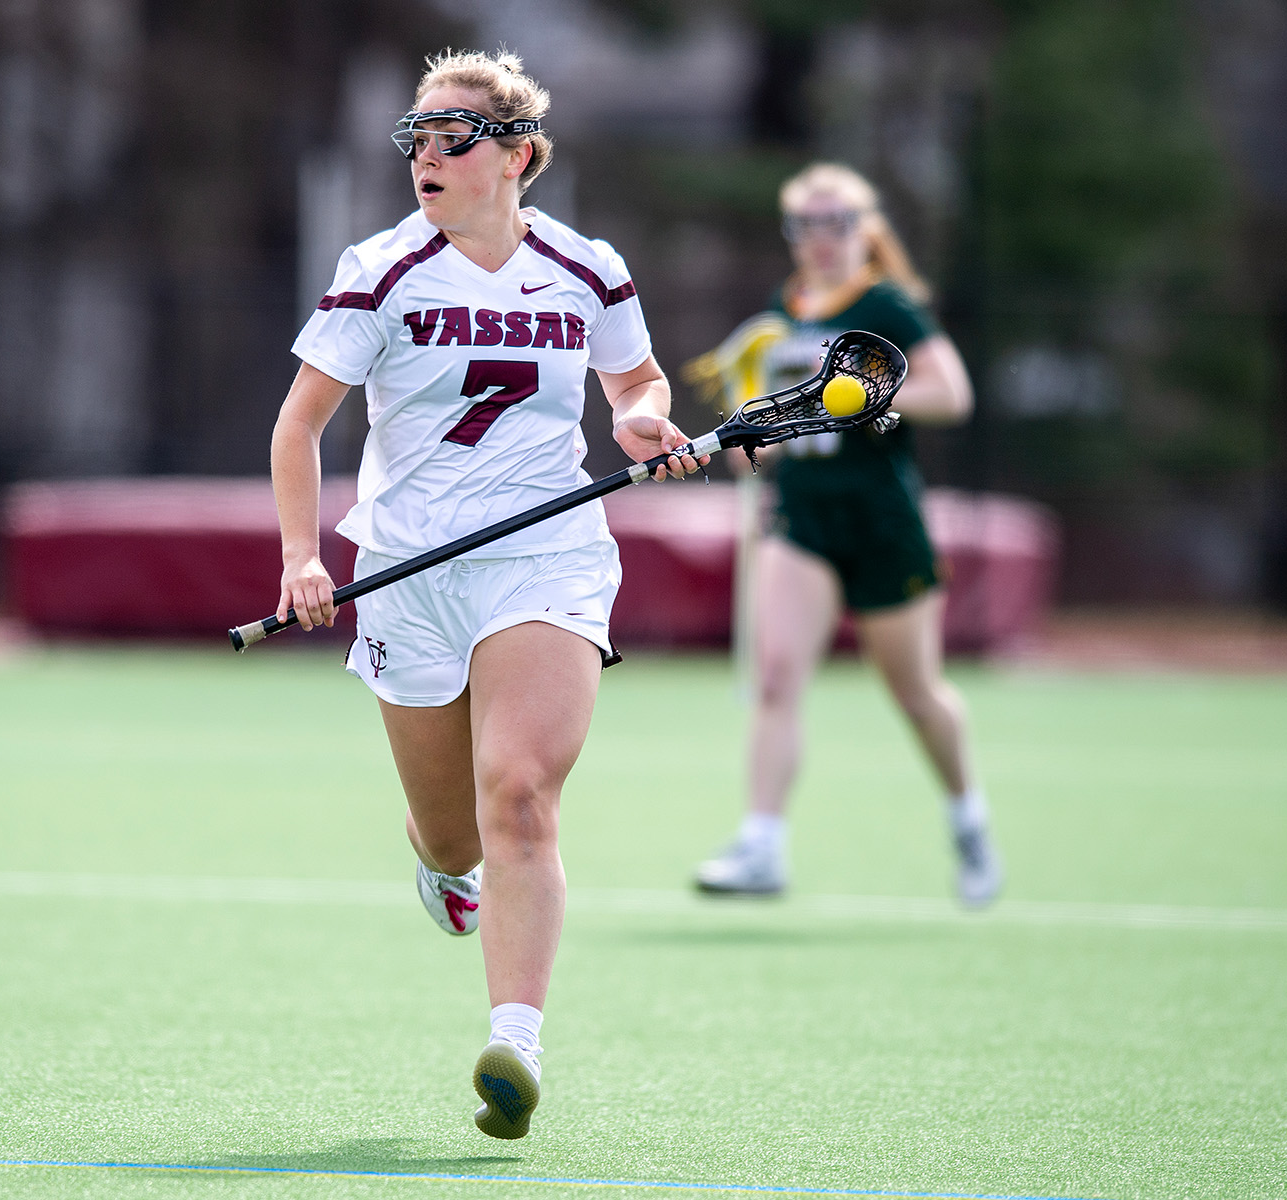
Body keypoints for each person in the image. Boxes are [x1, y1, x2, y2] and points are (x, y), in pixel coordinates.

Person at [271, 49, 702, 1139]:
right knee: (454, 833)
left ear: (515, 153)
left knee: (518, 793)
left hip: (544, 557)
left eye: (450, 137)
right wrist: (301, 555)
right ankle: (440, 868)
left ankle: (515, 1042)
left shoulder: (586, 266)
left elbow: (633, 380)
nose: (425, 154)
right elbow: (299, 426)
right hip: (411, 572)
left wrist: (643, 419)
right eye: (414, 136)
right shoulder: (380, 269)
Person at [691, 162, 1002, 907]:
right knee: (776, 679)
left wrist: (875, 399)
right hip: (801, 517)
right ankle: (762, 843)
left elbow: (951, 393)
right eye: (807, 224)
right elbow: (779, 414)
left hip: (881, 521)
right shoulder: (785, 310)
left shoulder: (888, 307)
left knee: (916, 694)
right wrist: (748, 442)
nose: (822, 239)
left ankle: (967, 817)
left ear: (865, 229)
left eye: (837, 223)